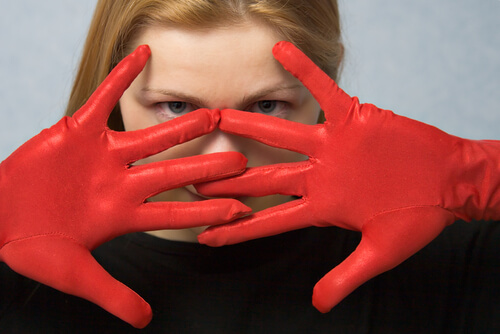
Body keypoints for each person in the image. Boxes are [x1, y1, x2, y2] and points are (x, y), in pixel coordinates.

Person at [1, 0, 499, 333]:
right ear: (112, 92)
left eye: (265, 107)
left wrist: (475, 176)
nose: (220, 158)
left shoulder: (447, 254)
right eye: (175, 107)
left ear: (326, 82)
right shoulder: (21, 262)